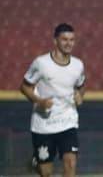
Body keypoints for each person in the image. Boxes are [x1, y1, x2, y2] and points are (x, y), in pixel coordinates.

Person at [20, 23, 86, 177]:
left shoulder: (78, 65)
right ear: (55, 41)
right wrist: (39, 101)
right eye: (64, 39)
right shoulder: (41, 64)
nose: (69, 43)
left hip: (68, 121)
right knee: (46, 172)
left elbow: (81, 86)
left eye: (72, 40)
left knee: (70, 164)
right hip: (44, 125)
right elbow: (24, 87)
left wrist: (80, 95)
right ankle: (37, 162)